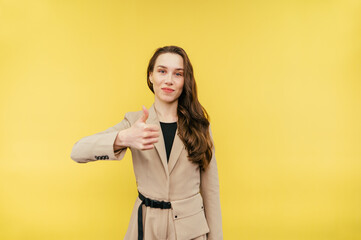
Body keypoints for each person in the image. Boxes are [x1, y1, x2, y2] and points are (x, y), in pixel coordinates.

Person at [70, 45, 223, 240]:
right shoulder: (134, 123)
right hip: (145, 227)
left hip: (190, 231)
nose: (168, 80)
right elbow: (77, 151)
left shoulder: (200, 126)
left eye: (178, 74)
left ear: (186, 80)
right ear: (151, 76)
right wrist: (124, 137)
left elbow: (211, 193)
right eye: (162, 71)